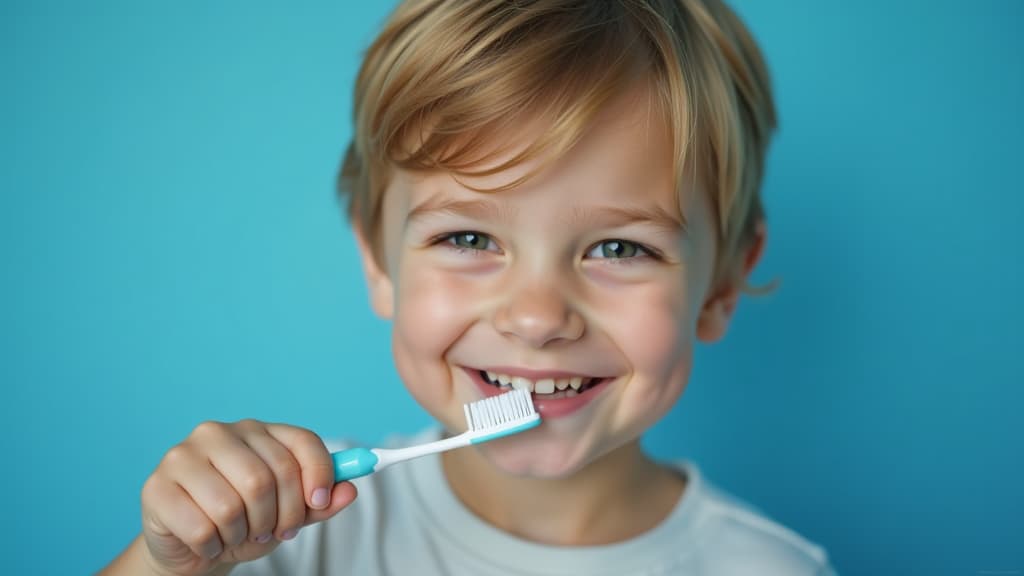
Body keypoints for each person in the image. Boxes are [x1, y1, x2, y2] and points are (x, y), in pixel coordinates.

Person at [101, 1, 838, 574]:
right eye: (469, 239)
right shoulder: (293, 533)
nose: (536, 317)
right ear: (378, 261)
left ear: (722, 285)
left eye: (619, 247)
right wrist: (177, 566)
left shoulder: (775, 569)